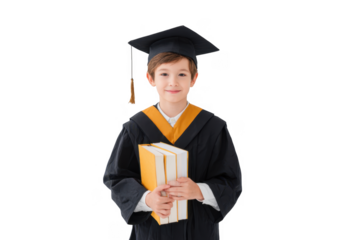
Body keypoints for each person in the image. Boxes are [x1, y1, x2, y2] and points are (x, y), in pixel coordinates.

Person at [102, 24, 243, 240]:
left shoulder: (213, 126)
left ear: (194, 79)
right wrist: (147, 199)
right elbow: (117, 177)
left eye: (182, 74)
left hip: (199, 232)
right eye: (164, 73)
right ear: (150, 78)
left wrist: (198, 191)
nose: (173, 82)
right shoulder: (136, 125)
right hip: (151, 230)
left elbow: (231, 183)